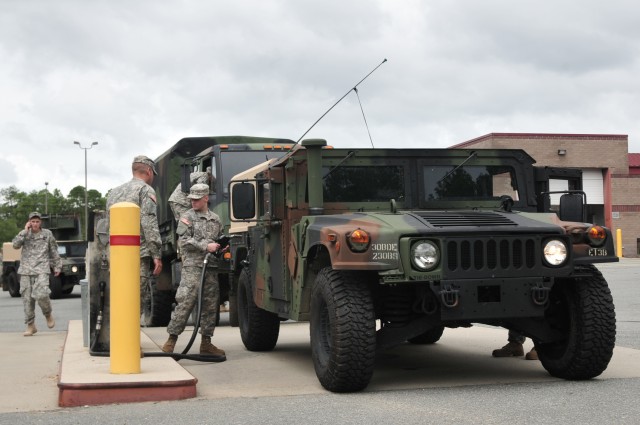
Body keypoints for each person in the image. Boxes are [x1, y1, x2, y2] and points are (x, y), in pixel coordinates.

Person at [162, 183, 225, 357]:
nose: (193, 202)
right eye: (191, 199)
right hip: (192, 268)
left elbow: (219, 239)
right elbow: (184, 241)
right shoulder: (186, 217)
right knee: (185, 302)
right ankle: (171, 340)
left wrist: (221, 248)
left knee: (210, 306)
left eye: (197, 199)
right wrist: (207, 246)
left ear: (206, 198)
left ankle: (206, 343)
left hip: (211, 268)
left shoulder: (215, 219)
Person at [106, 155, 163, 313]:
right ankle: (129, 336)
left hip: (116, 253)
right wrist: (156, 254)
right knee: (137, 296)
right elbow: (148, 223)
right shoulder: (145, 190)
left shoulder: (114, 192)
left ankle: (119, 335)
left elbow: (108, 224)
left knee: (119, 293)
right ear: (149, 172)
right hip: (138, 252)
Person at [12, 211, 62, 336]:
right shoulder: (24, 234)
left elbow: (54, 251)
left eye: (37, 221)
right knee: (27, 300)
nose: (35, 224)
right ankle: (31, 325)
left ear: (41, 222)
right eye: (33, 221)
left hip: (41, 269)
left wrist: (57, 266)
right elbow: (15, 245)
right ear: (29, 222)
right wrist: (24, 231)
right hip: (26, 271)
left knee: (42, 294)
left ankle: (48, 314)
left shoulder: (47, 234)